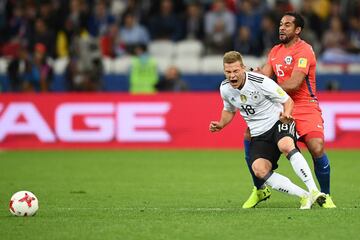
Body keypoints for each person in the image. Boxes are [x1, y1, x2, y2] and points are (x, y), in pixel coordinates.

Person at [242, 12, 336, 209]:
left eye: (287, 25)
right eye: (280, 24)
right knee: (250, 134)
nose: (281, 27)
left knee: (317, 146)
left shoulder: (305, 51)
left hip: (304, 105)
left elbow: (294, 83)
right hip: (278, 105)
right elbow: (265, 76)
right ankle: (259, 189)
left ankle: (325, 195)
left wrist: (266, 84)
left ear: (298, 30)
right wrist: (250, 76)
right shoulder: (275, 51)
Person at [209, 51, 325, 209]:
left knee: (286, 145)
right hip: (259, 134)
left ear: (243, 68)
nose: (232, 76)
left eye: (236, 71)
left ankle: (313, 190)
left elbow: (287, 100)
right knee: (259, 170)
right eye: (228, 72)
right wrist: (221, 124)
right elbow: (229, 110)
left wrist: (286, 114)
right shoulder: (225, 89)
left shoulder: (260, 81)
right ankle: (304, 196)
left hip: (278, 122)